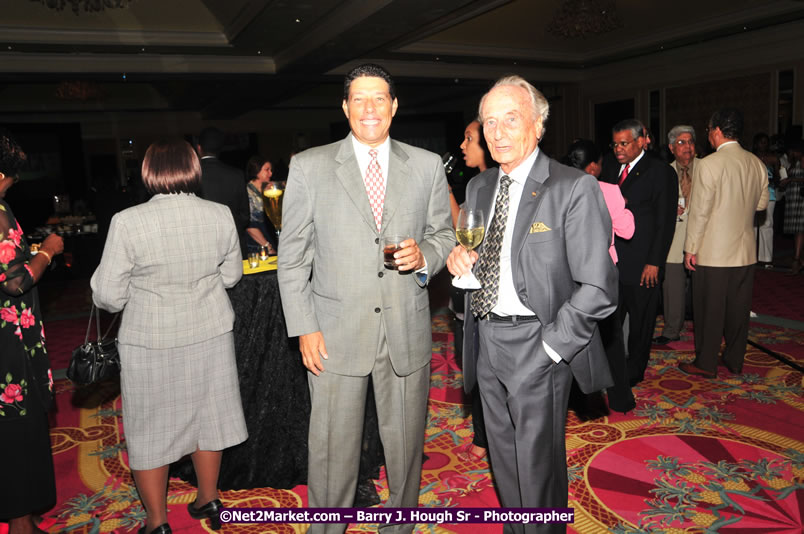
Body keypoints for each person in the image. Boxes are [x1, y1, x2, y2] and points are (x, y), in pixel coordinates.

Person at [277, 64, 453, 534]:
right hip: (334, 333)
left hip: (406, 328)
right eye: (359, 99)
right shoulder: (310, 166)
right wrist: (304, 328)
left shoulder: (427, 165)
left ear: (395, 107)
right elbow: (291, 258)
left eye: (380, 99)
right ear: (344, 108)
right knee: (332, 447)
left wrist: (426, 257)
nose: (370, 108)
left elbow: (443, 234)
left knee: (405, 444)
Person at [446, 76, 617, 533]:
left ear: (538, 125)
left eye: (511, 119)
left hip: (538, 343)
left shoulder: (572, 188)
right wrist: (460, 267)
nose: (497, 132)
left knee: (538, 468)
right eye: (488, 123)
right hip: (484, 340)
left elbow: (599, 287)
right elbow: (475, 271)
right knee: (503, 457)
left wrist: (549, 350)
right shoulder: (479, 188)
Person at [91, 139, 248, 534]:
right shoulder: (219, 214)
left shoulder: (128, 222)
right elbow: (231, 276)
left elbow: (107, 296)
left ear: (148, 172)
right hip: (210, 332)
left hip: (150, 339)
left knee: (150, 428)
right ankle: (208, 499)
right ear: (192, 169)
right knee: (209, 417)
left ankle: (158, 523)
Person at [0, 128, 64, 534]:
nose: (12, 183)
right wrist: (47, 251)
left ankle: (22, 510)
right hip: (7, 339)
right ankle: (21, 521)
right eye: (10, 176)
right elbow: (13, 282)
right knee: (16, 424)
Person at [682, 109, 769, 378]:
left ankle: (706, 363)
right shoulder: (756, 163)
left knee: (709, 310)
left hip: (713, 253)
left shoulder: (709, 164)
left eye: (708, 130)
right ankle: (734, 359)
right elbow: (761, 204)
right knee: (738, 311)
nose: (708, 135)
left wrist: (690, 248)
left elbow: (700, 212)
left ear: (717, 131)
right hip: (745, 252)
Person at [563, 138, 635, 415]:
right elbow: (627, 231)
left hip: (568, 273)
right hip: (601, 273)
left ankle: (574, 400)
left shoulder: (558, 187)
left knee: (572, 335)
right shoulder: (608, 190)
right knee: (611, 339)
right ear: (593, 166)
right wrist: (624, 205)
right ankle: (620, 399)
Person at [610, 119, 677, 386]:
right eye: (615, 144)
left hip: (643, 264)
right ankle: (612, 367)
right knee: (610, 321)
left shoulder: (660, 172)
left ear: (641, 141)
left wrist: (654, 262)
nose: (618, 149)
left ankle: (633, 373)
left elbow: (665, 222)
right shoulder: (610, 168)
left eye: (624, 143)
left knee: (641, 324)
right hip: (613, 263)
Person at [453, 119, 493, 462]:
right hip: (467, 290)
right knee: (473, 368)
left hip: (489, 298)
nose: (463, 145)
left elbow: (464, 228)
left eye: (469, 139)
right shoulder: (475, 184)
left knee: (486, 370)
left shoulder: (498, 187)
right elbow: (461, 234)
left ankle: (484, 437)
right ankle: (483, 433)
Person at [653, 125, 699, 345]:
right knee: (672, 285)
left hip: (702, 236)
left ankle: (704, 326)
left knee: (704, 287)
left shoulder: (707, 168)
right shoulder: (663, 172)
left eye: (690, 141)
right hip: (674, 236)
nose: (687, 147)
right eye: (681, 142)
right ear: (671, 148)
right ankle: (672, 329)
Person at [197, 127, 250, 258]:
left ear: (199, 148)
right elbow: (244, 215)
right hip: (233, 244)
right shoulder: (237, 174)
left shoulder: (192, 175)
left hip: (203, 245)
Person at [751, 133, 777, 267]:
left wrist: (773, 179)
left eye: (766, 142)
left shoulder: (773, 158)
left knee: (767, 225)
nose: (764, 145)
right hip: (752, 194)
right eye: (761, 142)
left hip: (769, 194)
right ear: (756, 144)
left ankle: (766, 259)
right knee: (752, 226)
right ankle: (751, 257)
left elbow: (778, 178)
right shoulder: (750, 158)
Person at [779, 140, 804, 274]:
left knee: (799, 229)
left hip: (800, 198)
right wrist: (785, 182)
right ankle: (799, 259)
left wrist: (791, 180)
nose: (790, 153)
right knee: (797, 230)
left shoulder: (803, 159)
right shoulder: (794, 162)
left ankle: (796, 259)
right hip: (793, 197)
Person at [244, 155, 277, 254]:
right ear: (256, 170)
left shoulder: (269, 189)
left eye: (271, 170)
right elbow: (249, 226)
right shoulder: (248, 192)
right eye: (267, 170)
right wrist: (268, 246)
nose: (270, 173)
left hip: (270, 238)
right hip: (257, 245)